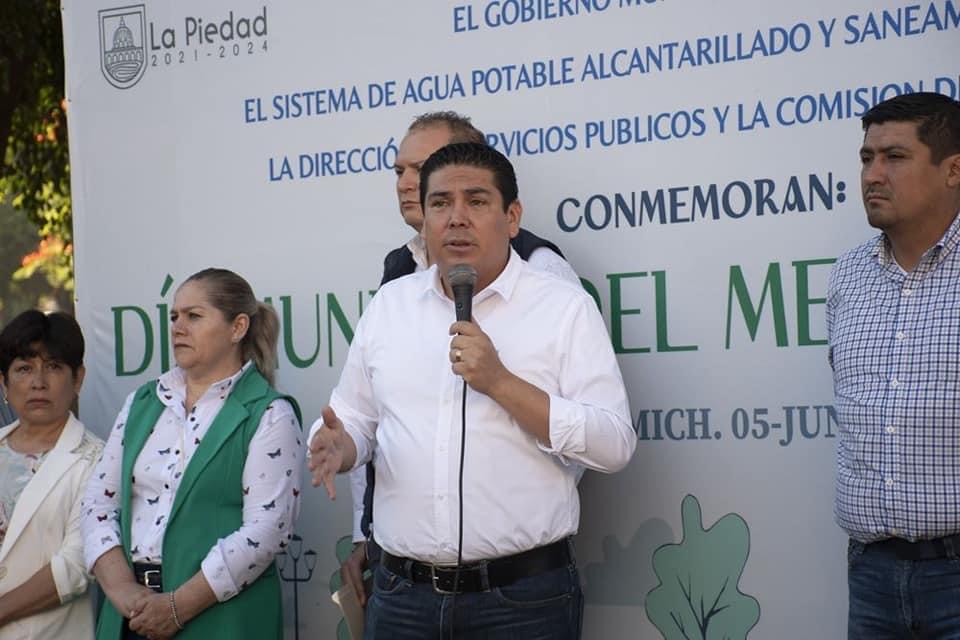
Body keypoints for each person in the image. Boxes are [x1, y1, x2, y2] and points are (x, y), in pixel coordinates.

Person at [310, 142, 636, 639]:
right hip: (402, 600)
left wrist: (501, 383)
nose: (456, 218)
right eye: (440, 203)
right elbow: (355, 418)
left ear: (512, 217)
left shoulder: (563, 308)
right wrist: (341, 445)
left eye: (476, 201)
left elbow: (614, 444)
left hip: (522, 601)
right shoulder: (389, 307)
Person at [343, 111, 581, 605]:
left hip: (508, 585)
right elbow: (376, 415)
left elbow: (572, 444)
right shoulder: (398, 273)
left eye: (421, 167)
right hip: (400, 577)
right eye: (399, 172)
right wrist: (368, 530)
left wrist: (496, 530)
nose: (407, 183)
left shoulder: (541, 272)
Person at [81, 268, 304, 640]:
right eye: (174, 317)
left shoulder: (268, 412)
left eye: (194, 316)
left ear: (238, 328)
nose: (177, 327)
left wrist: (175, 607)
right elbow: (97, 504)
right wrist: (125, 592)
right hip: (129, 617)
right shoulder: (143, 402)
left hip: (222, 619)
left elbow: (267, 531)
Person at [828, 92, 960, 638]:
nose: (873, 174)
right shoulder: (847, 277)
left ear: (953, 169)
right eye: (866, 158)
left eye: (895, 157)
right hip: (872, 575)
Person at [0, 310, 103, 639]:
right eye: (24, 369)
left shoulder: (98, 460)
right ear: (3, 382)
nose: (38, 382)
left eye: (54, 367)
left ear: (79, 378)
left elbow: (75, 565)